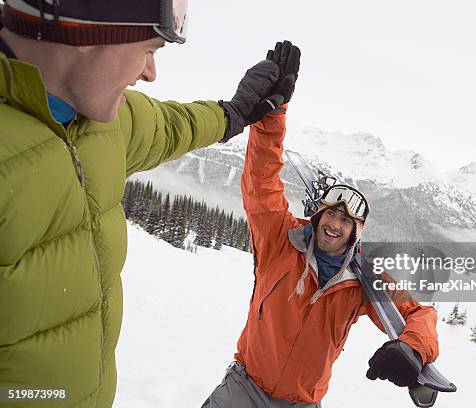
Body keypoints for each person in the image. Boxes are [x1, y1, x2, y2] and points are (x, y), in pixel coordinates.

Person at [0, 1, 296, 406]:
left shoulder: (101, 122)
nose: (150, 73)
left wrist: (235, 113)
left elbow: (171, 127)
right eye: (149, 49)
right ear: (88, 28)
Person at [201, 45, 439, 408]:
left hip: (301, 403)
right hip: (244, 387)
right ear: (318, 216)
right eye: (330, 214)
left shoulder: (365, 280)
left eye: (347, 221)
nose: (335, 224)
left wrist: (413, 347)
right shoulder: (281, 239)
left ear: (356, 232)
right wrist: (273, 112)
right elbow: (262, 181)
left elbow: (419, 313)